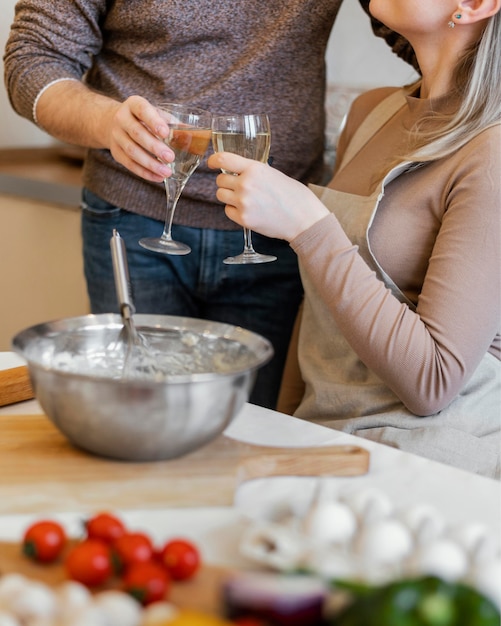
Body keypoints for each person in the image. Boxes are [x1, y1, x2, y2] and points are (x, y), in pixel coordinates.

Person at [3, 0, 417, 410]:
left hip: (274, 229)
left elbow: (426, 27)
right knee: (142, 412)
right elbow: (33, 58)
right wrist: (106, 122)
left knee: (255, 418)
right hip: (132, 217)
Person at [208, 0, 501, 478]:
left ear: (473, 6)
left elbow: (433, 381)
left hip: (429, 465)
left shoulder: (492, 152)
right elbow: (321, 310)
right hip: (325, 438)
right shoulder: (372, 112)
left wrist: (309, 229)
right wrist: (286, 427)